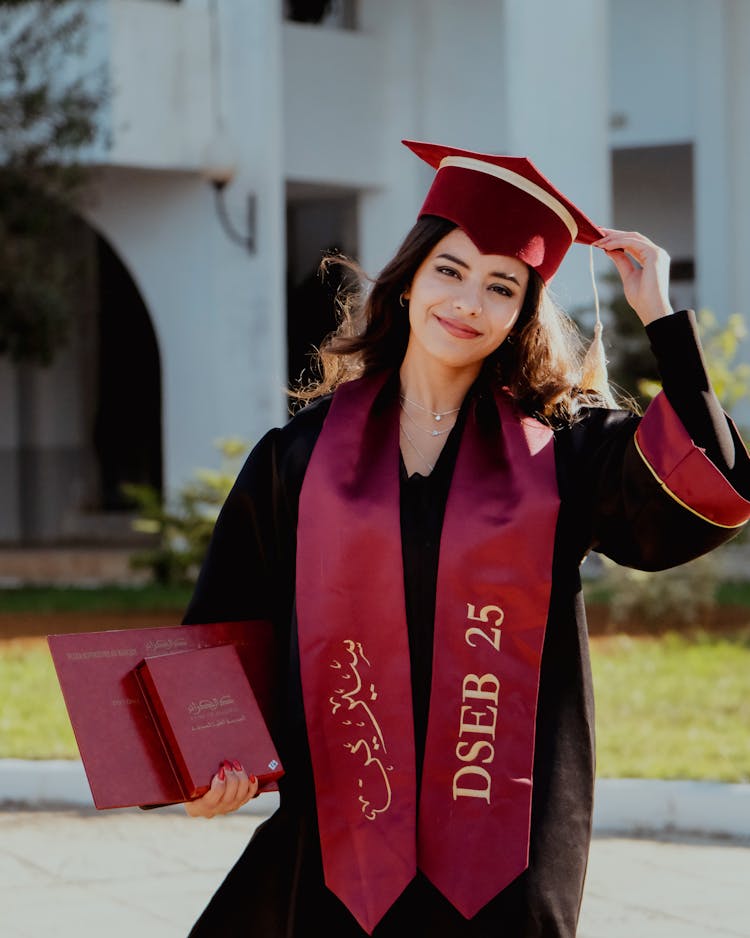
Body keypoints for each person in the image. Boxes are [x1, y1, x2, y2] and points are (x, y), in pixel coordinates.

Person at [180, 140, 750, 937]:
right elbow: (228, 623)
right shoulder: (300, 458)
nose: (468, 302)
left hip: (504, 844)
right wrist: (212, 762)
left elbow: (709, 490)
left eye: (501, 286)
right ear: (410, 279)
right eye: (450, 270)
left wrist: (660, 315)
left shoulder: (563, 451)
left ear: (522, 313)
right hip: (344, 841)